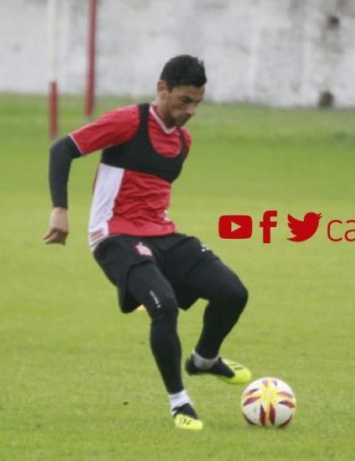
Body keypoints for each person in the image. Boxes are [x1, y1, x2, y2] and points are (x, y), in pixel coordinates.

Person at [43, 55, 251, 431]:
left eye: (197, 103)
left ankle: (204, 359)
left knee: (232, 292)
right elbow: (62, 149)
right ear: (162, 89)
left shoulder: (183, 141)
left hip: (163, 234)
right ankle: (179, 402)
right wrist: (60, 209)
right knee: (164, 306)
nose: (191, 111)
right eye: (184, 101)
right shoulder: (129, 121)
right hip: (115, 235)